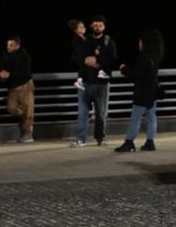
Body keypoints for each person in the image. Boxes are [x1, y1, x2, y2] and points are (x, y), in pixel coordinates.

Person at [72, 15, 119, 147]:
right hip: (85, 81)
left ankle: (101, 138)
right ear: (91, 26)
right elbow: (74, 55)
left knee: (101, 112)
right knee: (83, 112)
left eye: (100, 25)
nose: (97, 27)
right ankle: (80, 139)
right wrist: (85, 60)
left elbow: (113, 60)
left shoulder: (109, 41)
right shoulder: (84, 39)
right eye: (95, 24)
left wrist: (97, 61)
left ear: (104, 27)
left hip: (101, 83)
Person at [115, 30, 163, 153]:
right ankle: (150, 142)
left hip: (142, 93)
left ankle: (129, 142)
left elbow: (135, 75)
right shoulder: (154, 57)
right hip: (152, 93)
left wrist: (123, 68)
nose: (139, 44)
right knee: (151, 117)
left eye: (140, 42)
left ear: (145, 43)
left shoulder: (143, 58)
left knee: (135, 118)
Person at [0, 35, 35, 143]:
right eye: (7, 45)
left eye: (11, 45)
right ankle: (24, 114)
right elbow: (1, 66)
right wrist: (2, 73)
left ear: (17, 46)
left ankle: (28, 134)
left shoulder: (24, 55)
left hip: (25, 85)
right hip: (13, 86)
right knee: (11, 107)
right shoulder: (5, 54)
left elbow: (25, 72)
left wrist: (10, 74)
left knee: (29, 111)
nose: (8, 47)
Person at [68, 19, 88, 90]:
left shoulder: (85, 37)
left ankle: (80, 81)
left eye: (83, 26)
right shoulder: (77, 39)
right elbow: (79, 50)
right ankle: (79, 81)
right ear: (76, 30)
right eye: (80, 27)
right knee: (83, 64)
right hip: (79, 56)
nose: (83, 28)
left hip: (83, 56)